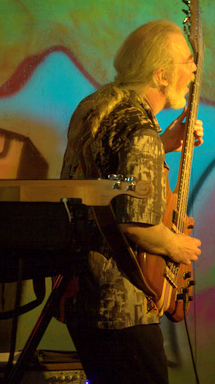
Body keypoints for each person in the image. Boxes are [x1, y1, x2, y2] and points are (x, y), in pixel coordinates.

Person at [57, 20, 203, 383]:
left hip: (81, 299)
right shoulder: (140, 130)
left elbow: (110, 180)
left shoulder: (97, 107)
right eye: (186, 61)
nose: (194, 69)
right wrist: (176, 245)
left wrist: (163, 145)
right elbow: (133, 223)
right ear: (161, 75)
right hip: (122, 309)